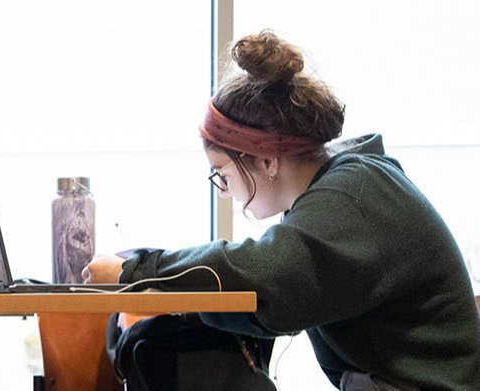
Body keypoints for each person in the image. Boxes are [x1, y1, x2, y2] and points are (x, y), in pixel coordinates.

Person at [84, 31, 480, 390]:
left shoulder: (352, 196)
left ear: (267, 160)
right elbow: (269, 275)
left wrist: (134, 273)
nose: (224, 192)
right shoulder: (348, 184)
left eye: (221, 173)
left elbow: (264, 275)